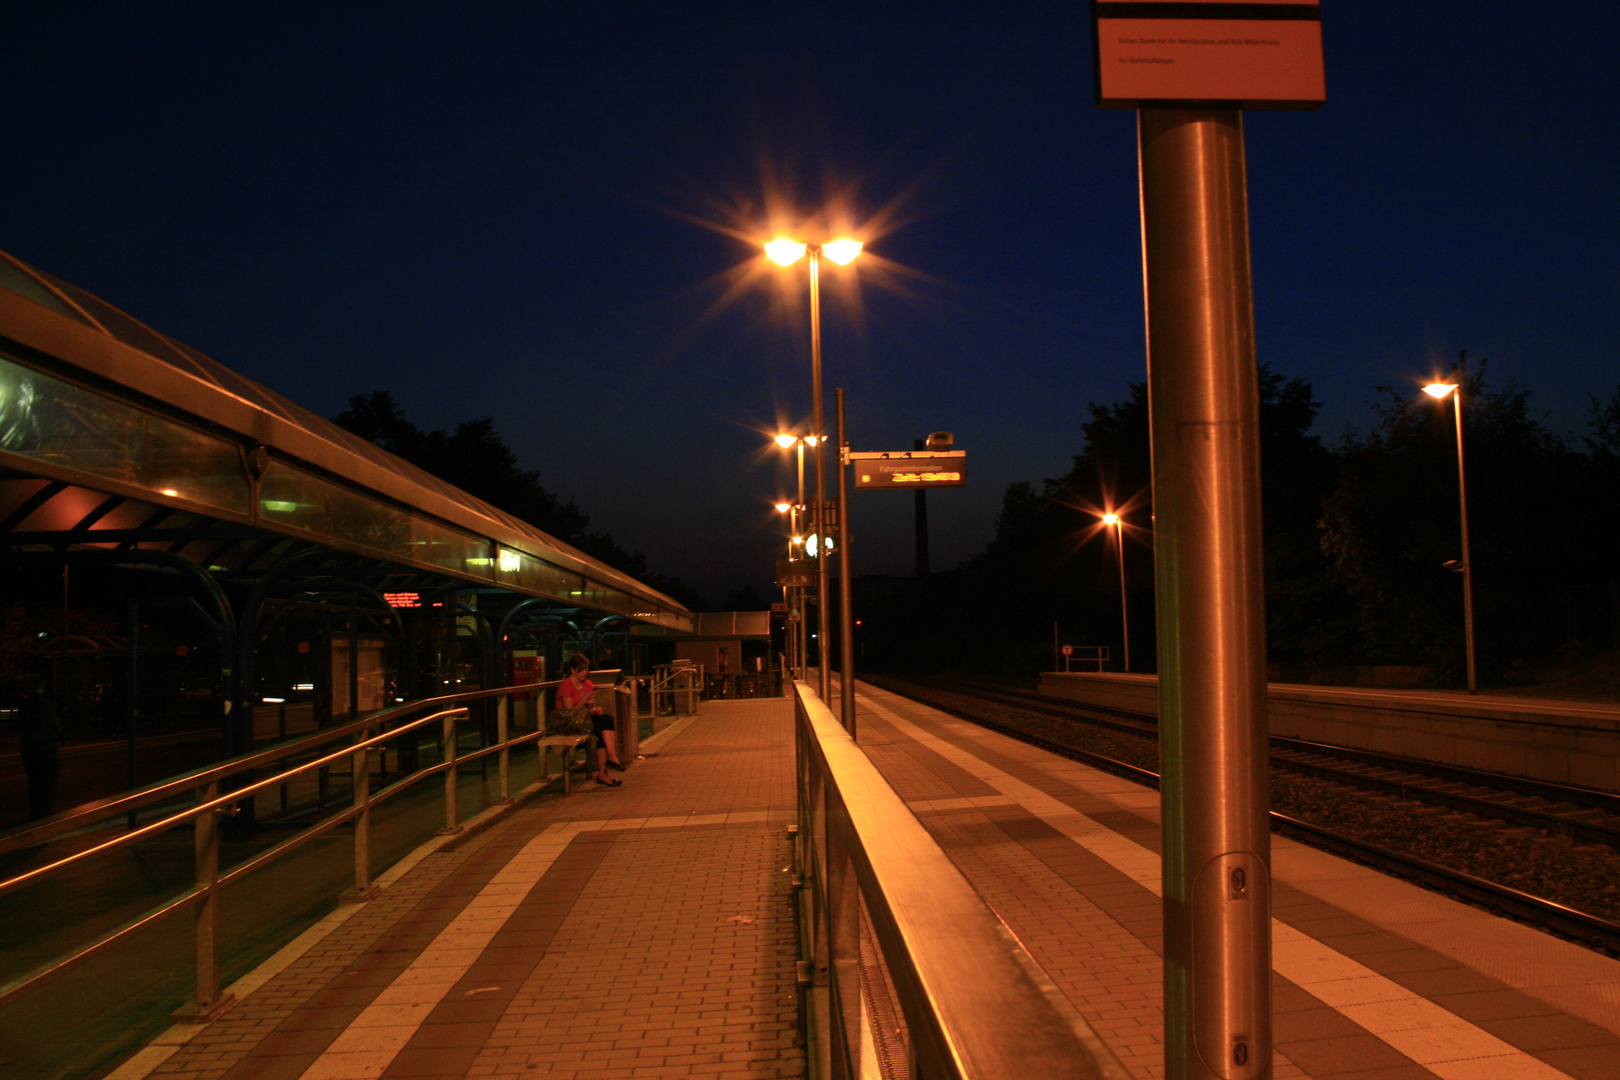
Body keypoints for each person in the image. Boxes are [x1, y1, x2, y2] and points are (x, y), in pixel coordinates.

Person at [557, 653, 626, 786]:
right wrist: (584, 700)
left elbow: (590, 708)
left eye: (586, 669)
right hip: (568, 722)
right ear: (573, 670)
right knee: (604, 727)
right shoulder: (566, 685)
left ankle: (606, 767)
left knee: (606, 722)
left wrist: (595, 710)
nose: (585, 672)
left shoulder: (588, 684)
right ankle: (608, 763)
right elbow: (569, 712)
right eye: (581, 670)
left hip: (583, 720)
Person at [19, 674, 62, 820]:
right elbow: (55, 725)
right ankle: (44, 811)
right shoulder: (46, 705)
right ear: (42, 689)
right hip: (46, 749)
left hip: (29, 750)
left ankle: (35, 811)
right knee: (48, 781)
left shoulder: (24, 706)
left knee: (34, 781)